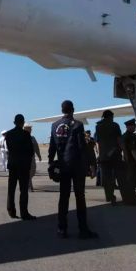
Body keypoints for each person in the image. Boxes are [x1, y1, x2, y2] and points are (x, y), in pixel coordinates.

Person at [49, 100, 98, 239]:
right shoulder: (78, 125)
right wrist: (90, 165)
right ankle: (83, 229)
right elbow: (81, 147)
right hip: (76, 167)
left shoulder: (54, 125)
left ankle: (61, 228)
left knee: (63, 197)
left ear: (62, 110)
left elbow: (52, 147)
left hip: (63, 166)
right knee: (79, 197)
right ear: (73, 110)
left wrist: (51, 164)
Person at [5, 114, 36, 220]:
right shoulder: (26, 134)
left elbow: (9, 149)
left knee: (11, 189)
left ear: (14, 122)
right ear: (23, 123)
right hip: (23, 165)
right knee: (23, 190)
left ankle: (11, 211)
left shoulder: (8, 134)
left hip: (13, 164)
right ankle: (24, 212)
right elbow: (31, 151)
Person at [95, 110, 123, 204]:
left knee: (107, 178)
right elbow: (119, 140)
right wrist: (124, 152)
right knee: (119, 175)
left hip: (104, 156)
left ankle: (109, 196)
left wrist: (99, 154)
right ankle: (126, 196)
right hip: (115, 155)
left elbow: (97, 142)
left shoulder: (98, 126)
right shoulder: (115, 125)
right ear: (111, 117)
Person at [121, 120, 136, 198]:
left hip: (126, 159)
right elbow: (133, 150)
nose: (135, 127)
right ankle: (131, 196)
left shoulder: (124, 135)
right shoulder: (130, 136)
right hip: (131, 160)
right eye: (133, 126)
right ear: (129, 126)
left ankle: (131, 195)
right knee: (132, 178)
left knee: (129, 178)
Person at [25, 125, 42, 191]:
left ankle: (28, 183)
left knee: (33, 171)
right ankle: (29, 186)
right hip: (24, 158)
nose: (31, 129)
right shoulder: (21, 137)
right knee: (28, 172)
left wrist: (39, 156)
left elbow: (36, 147)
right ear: (26, 129)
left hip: (32, 158)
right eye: (29, 128)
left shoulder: (32, 138)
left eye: (31, 128)